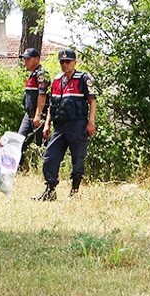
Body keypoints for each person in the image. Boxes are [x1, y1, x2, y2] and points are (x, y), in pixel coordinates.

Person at [33, 48, 97, 201]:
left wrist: (91, 121)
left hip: (78, 125)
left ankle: (74, 192)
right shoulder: (56, 80)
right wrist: (47, 124)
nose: (65, 64)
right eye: (62, 62)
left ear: (75, 62)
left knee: (78, 159)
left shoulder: (83, 78)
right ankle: (50, 191)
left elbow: (92, 101)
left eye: (68, 61)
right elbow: (52, 105)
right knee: (50, 158)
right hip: (60, 126)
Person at [17, 48, 50, 171]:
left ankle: (43, 170)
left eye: (28, 59)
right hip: (28, 115)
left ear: (37, 59)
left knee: (40, 145)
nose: (25, 61)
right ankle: (18, 168)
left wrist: (38, 115)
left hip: (39, 115)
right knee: (20, 140)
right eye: (24, 59)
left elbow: (42, 95)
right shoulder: (32, 74)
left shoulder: (42, 74)